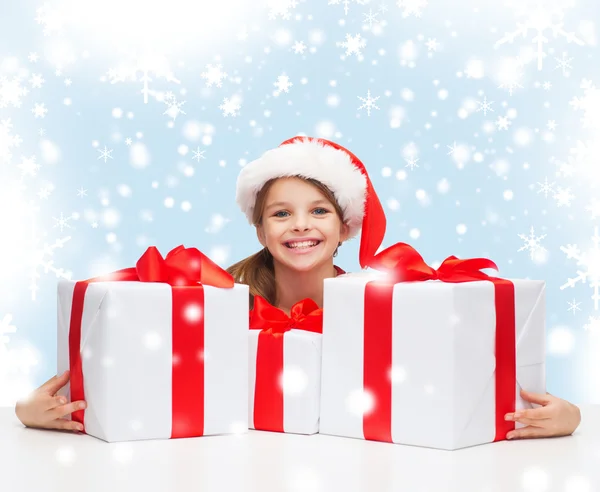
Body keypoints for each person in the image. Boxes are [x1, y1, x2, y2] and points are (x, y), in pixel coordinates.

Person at [15, 136, 580, 440]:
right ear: (260, 229)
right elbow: (126, 371)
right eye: (281, 213)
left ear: (344, 227)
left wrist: (568, 418)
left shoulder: (390, 307)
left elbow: (464, 375)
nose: (301, 225)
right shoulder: (213, 303)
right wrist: (31, 411)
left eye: (318, 211)